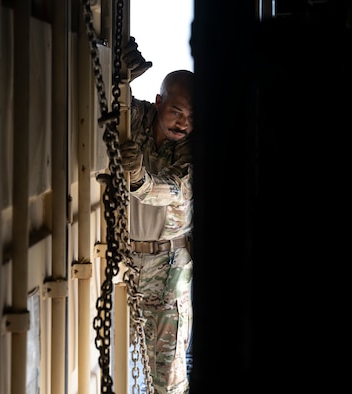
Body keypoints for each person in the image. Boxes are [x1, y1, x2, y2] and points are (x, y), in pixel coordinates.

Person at [120, 37, 195, 394]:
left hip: (167, 271)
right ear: (159, 101)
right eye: (177, 111)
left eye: (193, 116)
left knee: (166, 377)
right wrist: (122, 76)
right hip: (122, 260)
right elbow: (107, 103)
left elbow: (175, 188)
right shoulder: (138, 118)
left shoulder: (193, 149)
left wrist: (138, 179)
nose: (184, 123)